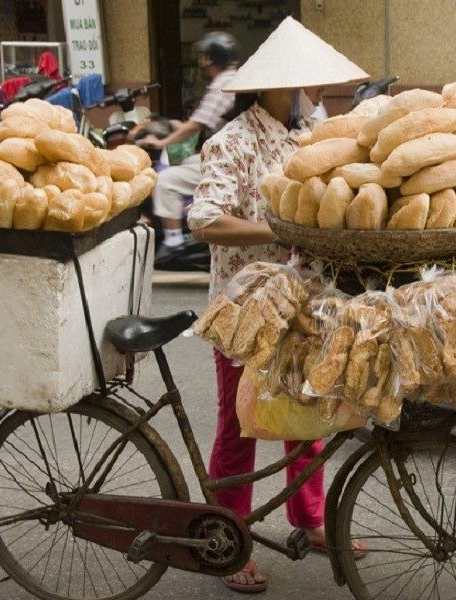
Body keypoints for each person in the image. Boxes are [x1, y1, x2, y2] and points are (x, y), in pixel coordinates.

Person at [186, 16, 369, 594]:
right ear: (280, 89)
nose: (317, 99)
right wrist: (276, 231)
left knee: (306, 413)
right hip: (245, 312)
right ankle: (226, 539)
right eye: (310, 88)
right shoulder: (231, 143)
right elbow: (205, 220)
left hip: (304, 306)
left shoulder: (307, 141)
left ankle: (309, 518)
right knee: (238, 429)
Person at [144, 32, 239, 267]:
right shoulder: (235, 78)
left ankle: (174, 241)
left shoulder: (222, 85)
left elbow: (197, 124)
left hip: (225, 159)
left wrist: (162, 143)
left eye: (205, 57)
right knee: (186, 162)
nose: (202, 62)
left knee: (165, 180)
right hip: (232, 153)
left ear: (213, 58)